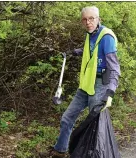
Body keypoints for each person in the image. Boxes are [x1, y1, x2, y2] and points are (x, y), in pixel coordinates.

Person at [40, 6, 120, 158]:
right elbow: (89, 50)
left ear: (98, 19)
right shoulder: (90, 35)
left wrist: (110, 92)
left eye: (91, 19)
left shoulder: (106, 37)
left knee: (95, 125)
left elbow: (114, 68)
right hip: (85, 85)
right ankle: (61, 150)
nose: (88, 22)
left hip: (100, 85)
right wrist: (74, 52)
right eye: (85, 19)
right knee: (67, 118)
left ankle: (93, 154)